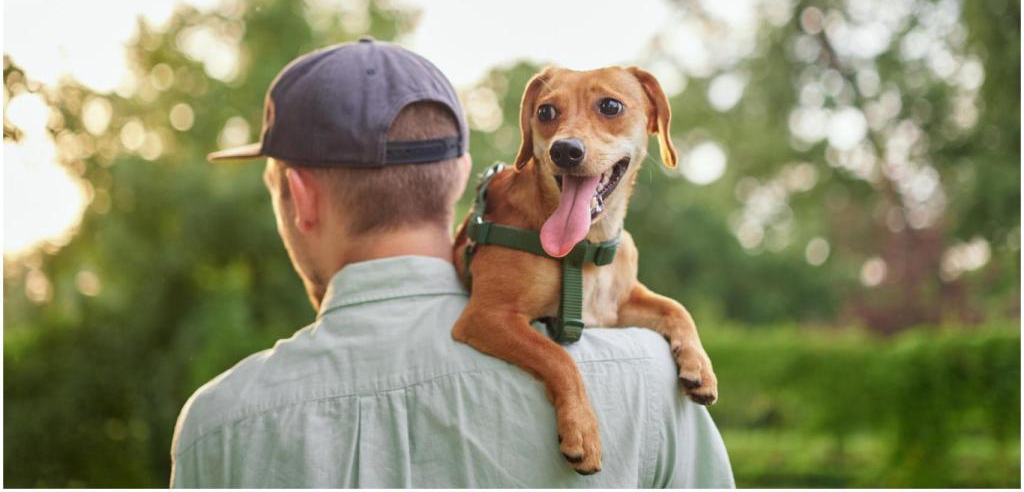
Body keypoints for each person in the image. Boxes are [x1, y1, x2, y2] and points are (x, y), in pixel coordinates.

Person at [170, 38, 735, 488]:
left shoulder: (216, 425)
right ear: (463, 173)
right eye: (550, 117)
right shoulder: (652, 382)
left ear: (301, 195)